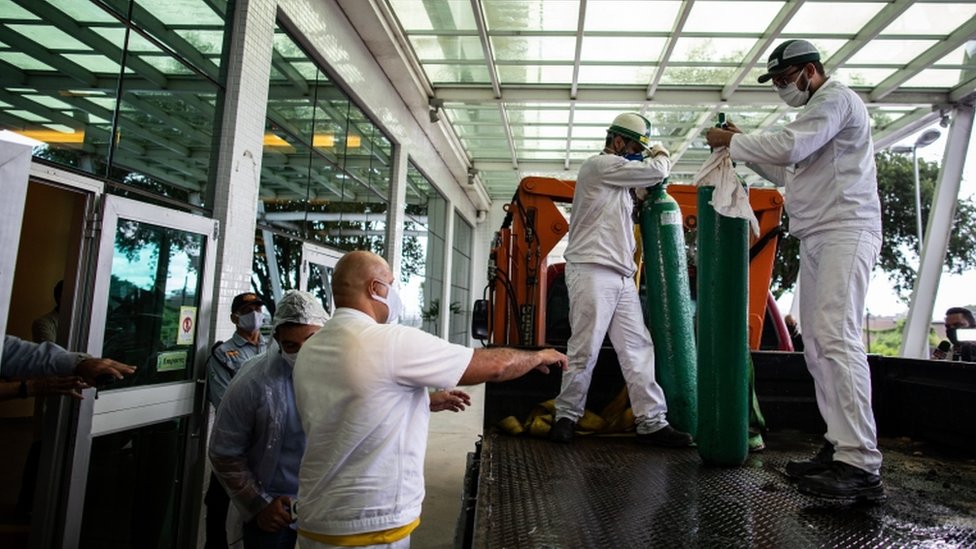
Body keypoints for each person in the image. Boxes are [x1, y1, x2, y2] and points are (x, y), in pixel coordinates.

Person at [706, 39, 884, 501]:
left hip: (847, 228)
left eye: (785, 79)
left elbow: (792, 145)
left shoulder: (835, 99)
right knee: (819, 344)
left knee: (837, 337)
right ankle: (840, 445)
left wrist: (735, 141)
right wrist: (743, 146)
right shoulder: (816, 116)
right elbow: (790, 169)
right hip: (821, 232)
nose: (782, 88)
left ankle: (861, 464)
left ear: (809, 70)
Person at [293, 250, 567, 548]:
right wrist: (538, 355)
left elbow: (348, 406)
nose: (394, 292)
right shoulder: (389, 341)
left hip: (315, 520)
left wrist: (422, 401)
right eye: (391, 284)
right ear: (375, 288)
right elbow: (494, 366)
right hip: (368, 526)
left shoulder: (312, 347)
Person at [548, 112, 693, 448]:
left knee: (638, 349)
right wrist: (661, 155)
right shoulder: (598, 167)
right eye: (633, 147)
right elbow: (654, 171)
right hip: (592, 268)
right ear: (616, 142)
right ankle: (566, 417)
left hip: (622, 275)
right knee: (584, 348)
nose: (637, 154)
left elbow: (644, 189)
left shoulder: (619, 183)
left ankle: (651, 421)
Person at [210, 290, 330, 549]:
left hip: (327, 510)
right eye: (291, 346)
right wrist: (258, 505)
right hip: (276, 513)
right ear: (276, 339)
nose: (303, 353)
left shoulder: (344, 374)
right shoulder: (254, 381)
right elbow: (224, 452)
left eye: (312, 341)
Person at [206, 292, 269, 549]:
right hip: (236, 442)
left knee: (261, 505)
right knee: (218, 502)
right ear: (234, 317)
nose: (254, 314)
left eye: (257, 308)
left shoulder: (274, 348)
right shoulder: (223, 354)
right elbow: (225, 404)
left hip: (266, 443)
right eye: (247, 310)